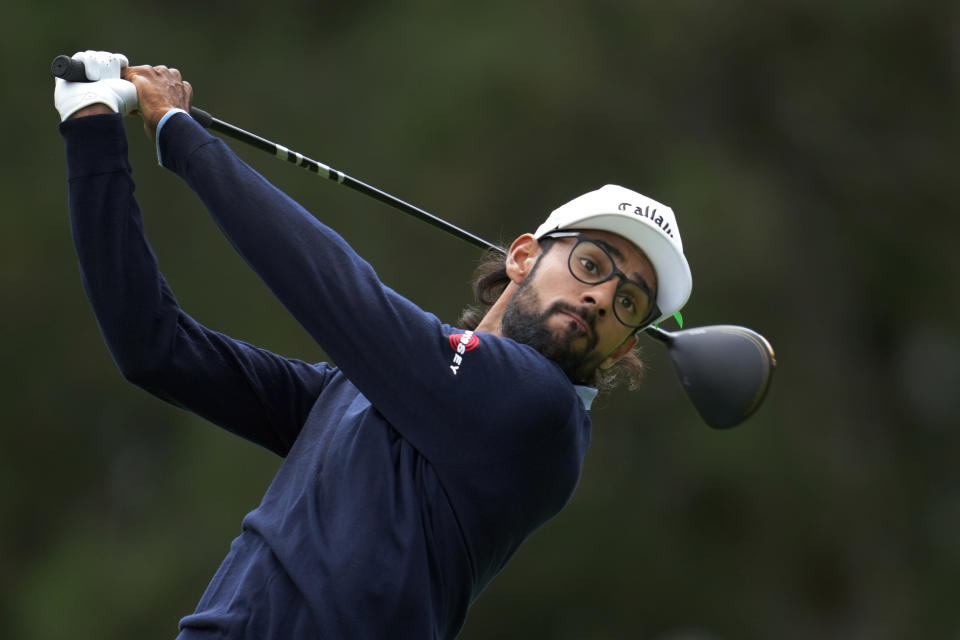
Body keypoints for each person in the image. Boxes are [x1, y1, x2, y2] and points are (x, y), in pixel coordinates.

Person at [56, 51, 692, 639]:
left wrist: (181, 135)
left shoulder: (540, 412)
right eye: (592, 264)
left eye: (630, 302)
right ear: (523, 256)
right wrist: (91, 132)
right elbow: (155, 348)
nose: (603, 298)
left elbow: (343, 296)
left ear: (619, 350)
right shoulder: (371, 389)